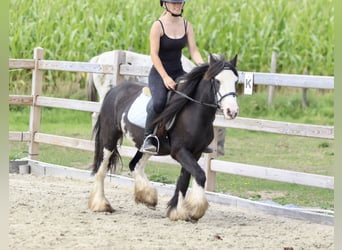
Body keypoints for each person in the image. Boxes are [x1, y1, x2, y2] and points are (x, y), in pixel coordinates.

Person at [141, 0, 205, 154]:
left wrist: (203, 66)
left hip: (178, 72)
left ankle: (197, 138)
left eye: (180, 3)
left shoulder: (186, 25)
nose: (177, 5)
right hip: (159, 73)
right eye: (174, 3)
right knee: (159, 102)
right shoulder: (158, 26)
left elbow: (194, 51)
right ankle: (149, 137)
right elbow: (154, 55)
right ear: (165, 4)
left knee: (193, 96)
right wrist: (165, 77)